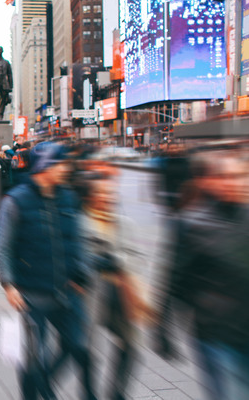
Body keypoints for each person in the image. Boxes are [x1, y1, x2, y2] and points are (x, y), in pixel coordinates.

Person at [155, 154, 249, 400]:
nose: (232, 183)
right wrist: (162, 329)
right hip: (215, 336)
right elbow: (173, 279)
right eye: (224, 177)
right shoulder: (191, 223)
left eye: (238, 177)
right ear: (210, 181)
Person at [0, 142, 94, 400]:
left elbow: (78, 239)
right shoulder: (16, 201)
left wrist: (81, 273)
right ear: (45, 166)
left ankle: (46, 384)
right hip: (31, 293)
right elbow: (4, 248)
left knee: (78, 347)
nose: (65, 168)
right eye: (60, 163)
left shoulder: (68, 197)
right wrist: (9, 284)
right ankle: (35, 392)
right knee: (33, 360)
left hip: (67, 291)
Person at [79, 165, 148, 400]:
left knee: (131, 345)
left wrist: (119, 260)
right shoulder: (78, 223)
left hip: (120, 292)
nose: (108, 198)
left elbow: (137, 256)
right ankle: (88, 393)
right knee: (86, 349)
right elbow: (72, 257)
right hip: (91, 293)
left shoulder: (123, 222)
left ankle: (117, 393)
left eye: (111, 193)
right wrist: (94, 261)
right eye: (102, 193)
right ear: (90, 195)